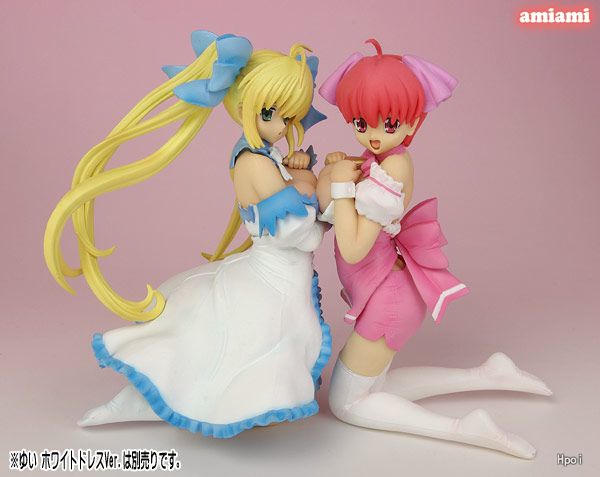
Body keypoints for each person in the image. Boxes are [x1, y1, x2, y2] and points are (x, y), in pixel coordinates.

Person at [43, 30, 331, 438]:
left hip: (279, 274)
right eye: (271, 113)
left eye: (289, 116)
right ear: (244, 107)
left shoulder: (265, 155)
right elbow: (304, 233)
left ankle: (155, 403)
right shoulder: (255, 163)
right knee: (238, 348)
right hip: (273, 274)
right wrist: (309, 180)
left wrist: (301, 179)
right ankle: (153, 403)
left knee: (241, 348)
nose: (283, 126)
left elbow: (301, 212)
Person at [316, 39, 551, 458]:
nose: (373, 135)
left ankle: (463, 429)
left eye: (389, 123)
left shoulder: (392, 168)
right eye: (361, 122)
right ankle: (488, 375)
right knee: (374, 386)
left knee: (346, 403)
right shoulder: (378, 159)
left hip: (388, 299)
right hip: (390, 290)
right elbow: (336, 208)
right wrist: (338, 175)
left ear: (412, 121)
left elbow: (352, 247)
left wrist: (338, 184)